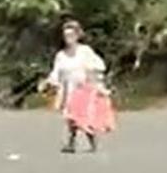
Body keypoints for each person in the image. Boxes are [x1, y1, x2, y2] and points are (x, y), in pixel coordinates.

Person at [40, 20, 116, 153]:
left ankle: (91, 142)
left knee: (81, 118)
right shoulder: (61, 55)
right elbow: (56, 73)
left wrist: (95, 83)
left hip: (83, 88)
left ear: (77, 36)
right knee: (71, 117)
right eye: (66, 36)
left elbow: (97, 66)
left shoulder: (85, 51)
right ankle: (72, 143)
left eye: (71, 35)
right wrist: (49, 82)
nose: (68, 39)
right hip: (68, 89)